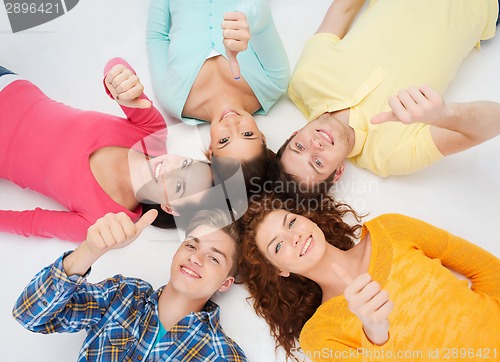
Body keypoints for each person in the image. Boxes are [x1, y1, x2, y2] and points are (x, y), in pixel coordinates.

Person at [270, 0, 500, 197]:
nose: (315, 146)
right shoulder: (393, 155)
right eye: (318, 163)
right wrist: (445, 115)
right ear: (338, 172)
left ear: (293, 135)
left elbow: (344, 8)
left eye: (299, 146)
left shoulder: (305, 80)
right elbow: (495, 121)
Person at [238, 193, 500, 361]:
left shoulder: (392, 229)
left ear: (309, 220)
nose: (293, 237)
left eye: (291, 222)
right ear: (279, 270)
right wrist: (376, 334)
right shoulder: (320, 335)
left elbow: (489, 271)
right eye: (278, 245)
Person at [0, 59, 214, 242]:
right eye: (185, 164)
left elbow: (31, 224)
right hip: (8, 85)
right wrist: (120, 81)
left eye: (179, 185)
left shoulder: (103, 222)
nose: (172, 169)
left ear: (170, 208)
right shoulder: (153, 133)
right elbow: (116, 67)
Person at [13, 208, 248, 361]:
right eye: (191, 245)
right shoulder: (122, 295)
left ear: (225, 283)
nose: (195, 258)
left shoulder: (224, 356)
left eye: (213, 257)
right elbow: (29, 315)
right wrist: (90, 250)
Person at [147, 0, 290, 190]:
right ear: (262, 137)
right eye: (247, 134)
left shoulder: (173, 99)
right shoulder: (274, 82)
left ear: (211, 151)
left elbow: (157, 37)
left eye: (224, 140)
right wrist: (243, 18)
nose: (232, 124)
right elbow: (261, 13)